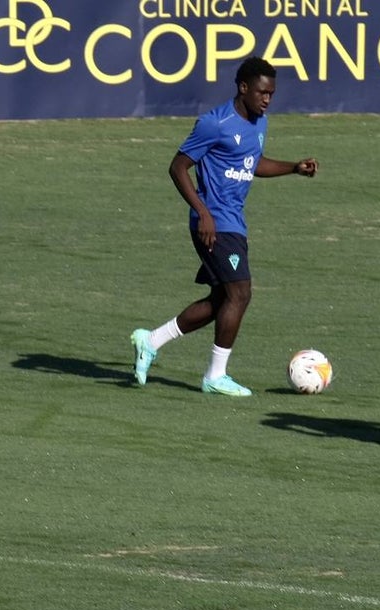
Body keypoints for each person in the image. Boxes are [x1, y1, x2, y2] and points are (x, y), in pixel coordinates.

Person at [130, 57, 318, 396]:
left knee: (222, 300)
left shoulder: (259, 123)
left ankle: (151, 340)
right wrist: (202, 212)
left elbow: (253, 162)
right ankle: (215, 376)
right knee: (241, 293)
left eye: (272, 94)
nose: (267, 100)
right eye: (262, 92)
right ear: (243, 88)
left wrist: (293, 167)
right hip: (214, 223)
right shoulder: (214, 124)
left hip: (235, 222)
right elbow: (178, 167)